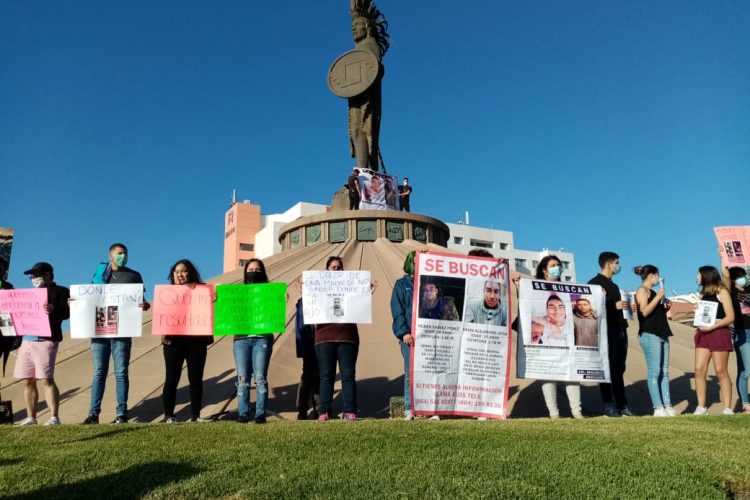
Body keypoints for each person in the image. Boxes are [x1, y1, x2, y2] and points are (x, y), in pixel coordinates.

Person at [83, 243, 150, 425]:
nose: (123, 256)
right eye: (119, 253)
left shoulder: (134, 275)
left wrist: (144, 305)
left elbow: (141, 301)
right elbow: (88, 298)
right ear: (110, 255)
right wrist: (75, 301)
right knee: (99, 372)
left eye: (125, 253)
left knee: (121, 372)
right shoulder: (99, 275)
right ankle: (93, 413)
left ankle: (121, 413)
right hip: (100, 329)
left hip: (122, 330)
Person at [15, 262, 69, 425]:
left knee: (46, 379)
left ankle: (54, 417)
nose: (33, 278)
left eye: (36, 275)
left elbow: (66, 313)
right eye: (31, 276)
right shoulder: (29, 294)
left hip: (46, 340)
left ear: (47, 274)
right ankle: (31, 417)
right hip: (27, 340)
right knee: (27, 379)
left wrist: (54, 309)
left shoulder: (61, 291)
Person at [161, 260, 213, 423]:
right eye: (176, 272)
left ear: (190, 273)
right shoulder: (166, 293)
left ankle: (195, 415)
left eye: (183, 271)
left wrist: (213, 298)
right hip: (173, 341)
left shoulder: (202, 290)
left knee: (196, 378)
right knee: (171, 378)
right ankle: (169, 415)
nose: (179, 275)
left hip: (196, 340)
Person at [533, 256, 583, 419]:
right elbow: (530, 311)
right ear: (544, 270)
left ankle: (577, 411)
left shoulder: (568, 288)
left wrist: (598, 295)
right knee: (549, 376)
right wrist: (552, 325)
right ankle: (553, 413)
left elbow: (583, 301)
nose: (558, 268)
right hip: (546, 343)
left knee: (571, 374)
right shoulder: (535, 288)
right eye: (553, 265)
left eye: (559, 265)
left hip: (568, 339)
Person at [315, 256, 360, 421]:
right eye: (333, 267)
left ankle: (350, 411)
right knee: (326, 376)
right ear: (327, 270)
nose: (336, 270)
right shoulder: (317, 287)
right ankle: (324, 411)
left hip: (347, 336)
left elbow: (359, 305)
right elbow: (312, 306)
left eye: (339, 267)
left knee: (348, 375)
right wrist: (305, 292)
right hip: (324, 336)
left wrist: (364, 292)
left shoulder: (351, 287)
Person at [588, 251, 632, 417]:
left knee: (619, 369)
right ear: (608, 264)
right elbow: (590, 308)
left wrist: (627, 308)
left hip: (620, 330)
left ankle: (622, 404)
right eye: (616, 263)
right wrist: (614, 306)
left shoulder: (613, 285)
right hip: (606, 332)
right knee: (607, 368)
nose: (618, 266)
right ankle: (608, 404)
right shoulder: (594, 284)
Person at [348, 0, 389, 171]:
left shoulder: (369, 45)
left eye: (358, 24)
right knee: (356, 130)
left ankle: (364, 170)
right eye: (353, 25)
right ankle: (362, 169)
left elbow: (373, 70)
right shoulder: (358, 47)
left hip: (367, 98)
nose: (353, 28)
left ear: (367, 27)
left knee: (364, 130)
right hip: (356, 94)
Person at [233, 259, 274, 424]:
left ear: (262, 272)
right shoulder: (237, 293)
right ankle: (243, 413)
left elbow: (274, 311)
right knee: (242, 378)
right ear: (245, 272)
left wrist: (280, 298)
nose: (254, 271)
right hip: (241, 339)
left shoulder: (270, 291)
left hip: (262, 337)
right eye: (251, 269)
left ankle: (260, 413)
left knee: (260, 377)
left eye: (257, 269)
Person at [693, 266, 735, 415]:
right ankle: (701, 406)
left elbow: (730, 317)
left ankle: (727, 408)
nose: (697, 277)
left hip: (718, 332)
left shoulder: (721, 290)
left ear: (706, 275)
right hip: (702, 334)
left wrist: (712, 327)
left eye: (698, 274)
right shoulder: (702, 293)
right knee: (699, 369)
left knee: (720, 370)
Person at [633, 265, 674, 417]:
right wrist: (657, 297)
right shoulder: (641, 291)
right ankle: (657, 406)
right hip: (650, 334)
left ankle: (667, 404)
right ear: (652, 275)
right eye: (657, 275)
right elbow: (644, 311)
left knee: (665, 371)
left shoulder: (655, 292)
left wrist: (665, 306)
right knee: (654, 371)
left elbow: (655, 312)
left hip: (662, 333)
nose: (658, 279)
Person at [390, 251, 416, 420]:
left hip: (429, 335)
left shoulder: (430, 284)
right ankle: (409, 408)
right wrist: (404, 331)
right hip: (409, 337)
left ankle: (428, 408)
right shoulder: (402, 285)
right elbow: (397, 310)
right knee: (410, 372)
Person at [724, 266, 750, 413]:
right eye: (741, 276)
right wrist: (723, 256)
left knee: (745, 370)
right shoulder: (730, 293)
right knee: (746, 371)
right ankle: (745, 404)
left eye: (745, 275)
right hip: (742, 333)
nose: (744, 278)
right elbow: (725, 278)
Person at [295, 294, 319, 420]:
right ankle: (302, 408)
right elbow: (300, 326)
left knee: (321, 375)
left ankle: (320, 407)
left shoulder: (324, 298)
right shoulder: (302, 302)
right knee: (308, 375)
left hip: (323, 340)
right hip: (309, 342)